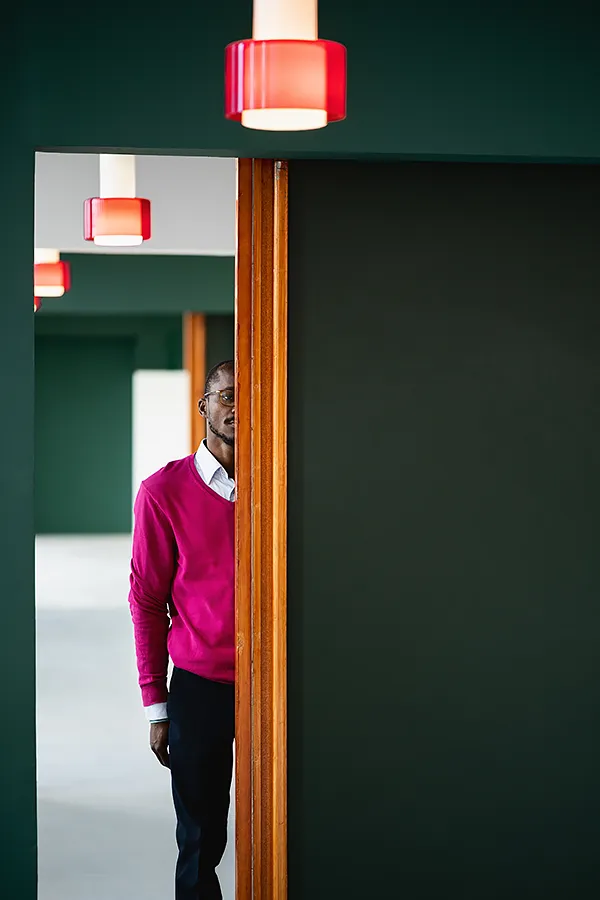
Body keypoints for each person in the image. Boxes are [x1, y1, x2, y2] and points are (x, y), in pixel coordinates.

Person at [128, 359, 236, 900]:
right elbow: (147, 602)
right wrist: (157, 705)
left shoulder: (282, 485)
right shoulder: (162, 491)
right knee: (200, 840)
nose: (238, 407)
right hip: (199, 686)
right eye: (227, 395)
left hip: (277, 685)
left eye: (250, 397)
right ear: (204, 406)